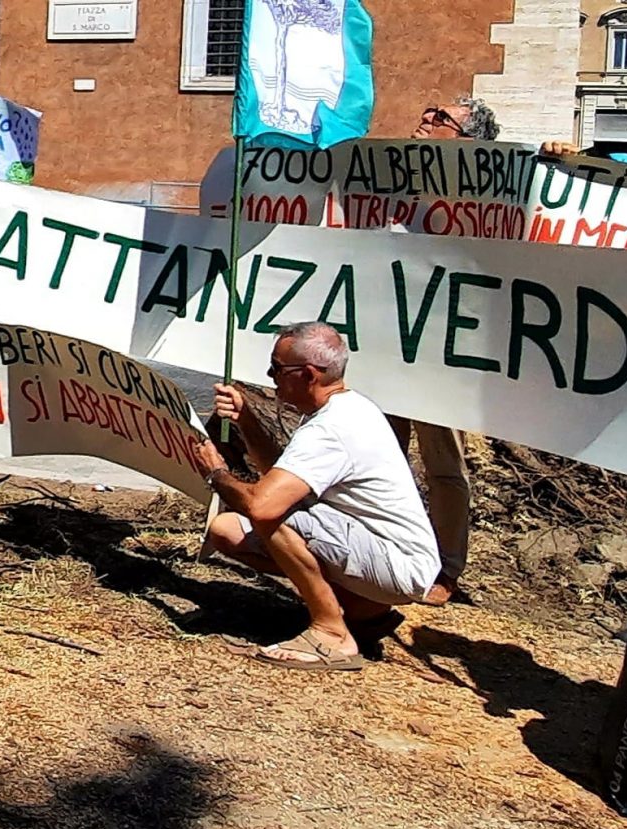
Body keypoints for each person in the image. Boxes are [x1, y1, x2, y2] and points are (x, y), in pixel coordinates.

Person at [194, 322, 441, 671]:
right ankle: (362, 611)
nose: (271, 376)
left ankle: (331, 633)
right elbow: (281, 478)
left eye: (277, 369)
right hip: (385, 553)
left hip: (397, 564)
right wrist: (245, 419)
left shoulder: (331, 429)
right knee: (228, 531)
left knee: (270, 514)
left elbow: (263, 505)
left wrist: (216, 473)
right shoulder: (346, 409)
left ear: (309, 374)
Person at [393, 96, 499, 607]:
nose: (425, 119)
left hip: (443, 348)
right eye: (428, 109)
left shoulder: (488, 194)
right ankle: (387, 550)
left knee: (442, 463)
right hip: (388, 339)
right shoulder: (392, 181)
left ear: (467, 139)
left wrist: (558, 156)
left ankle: (446, 567)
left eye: (439, 117)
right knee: (382, 453)